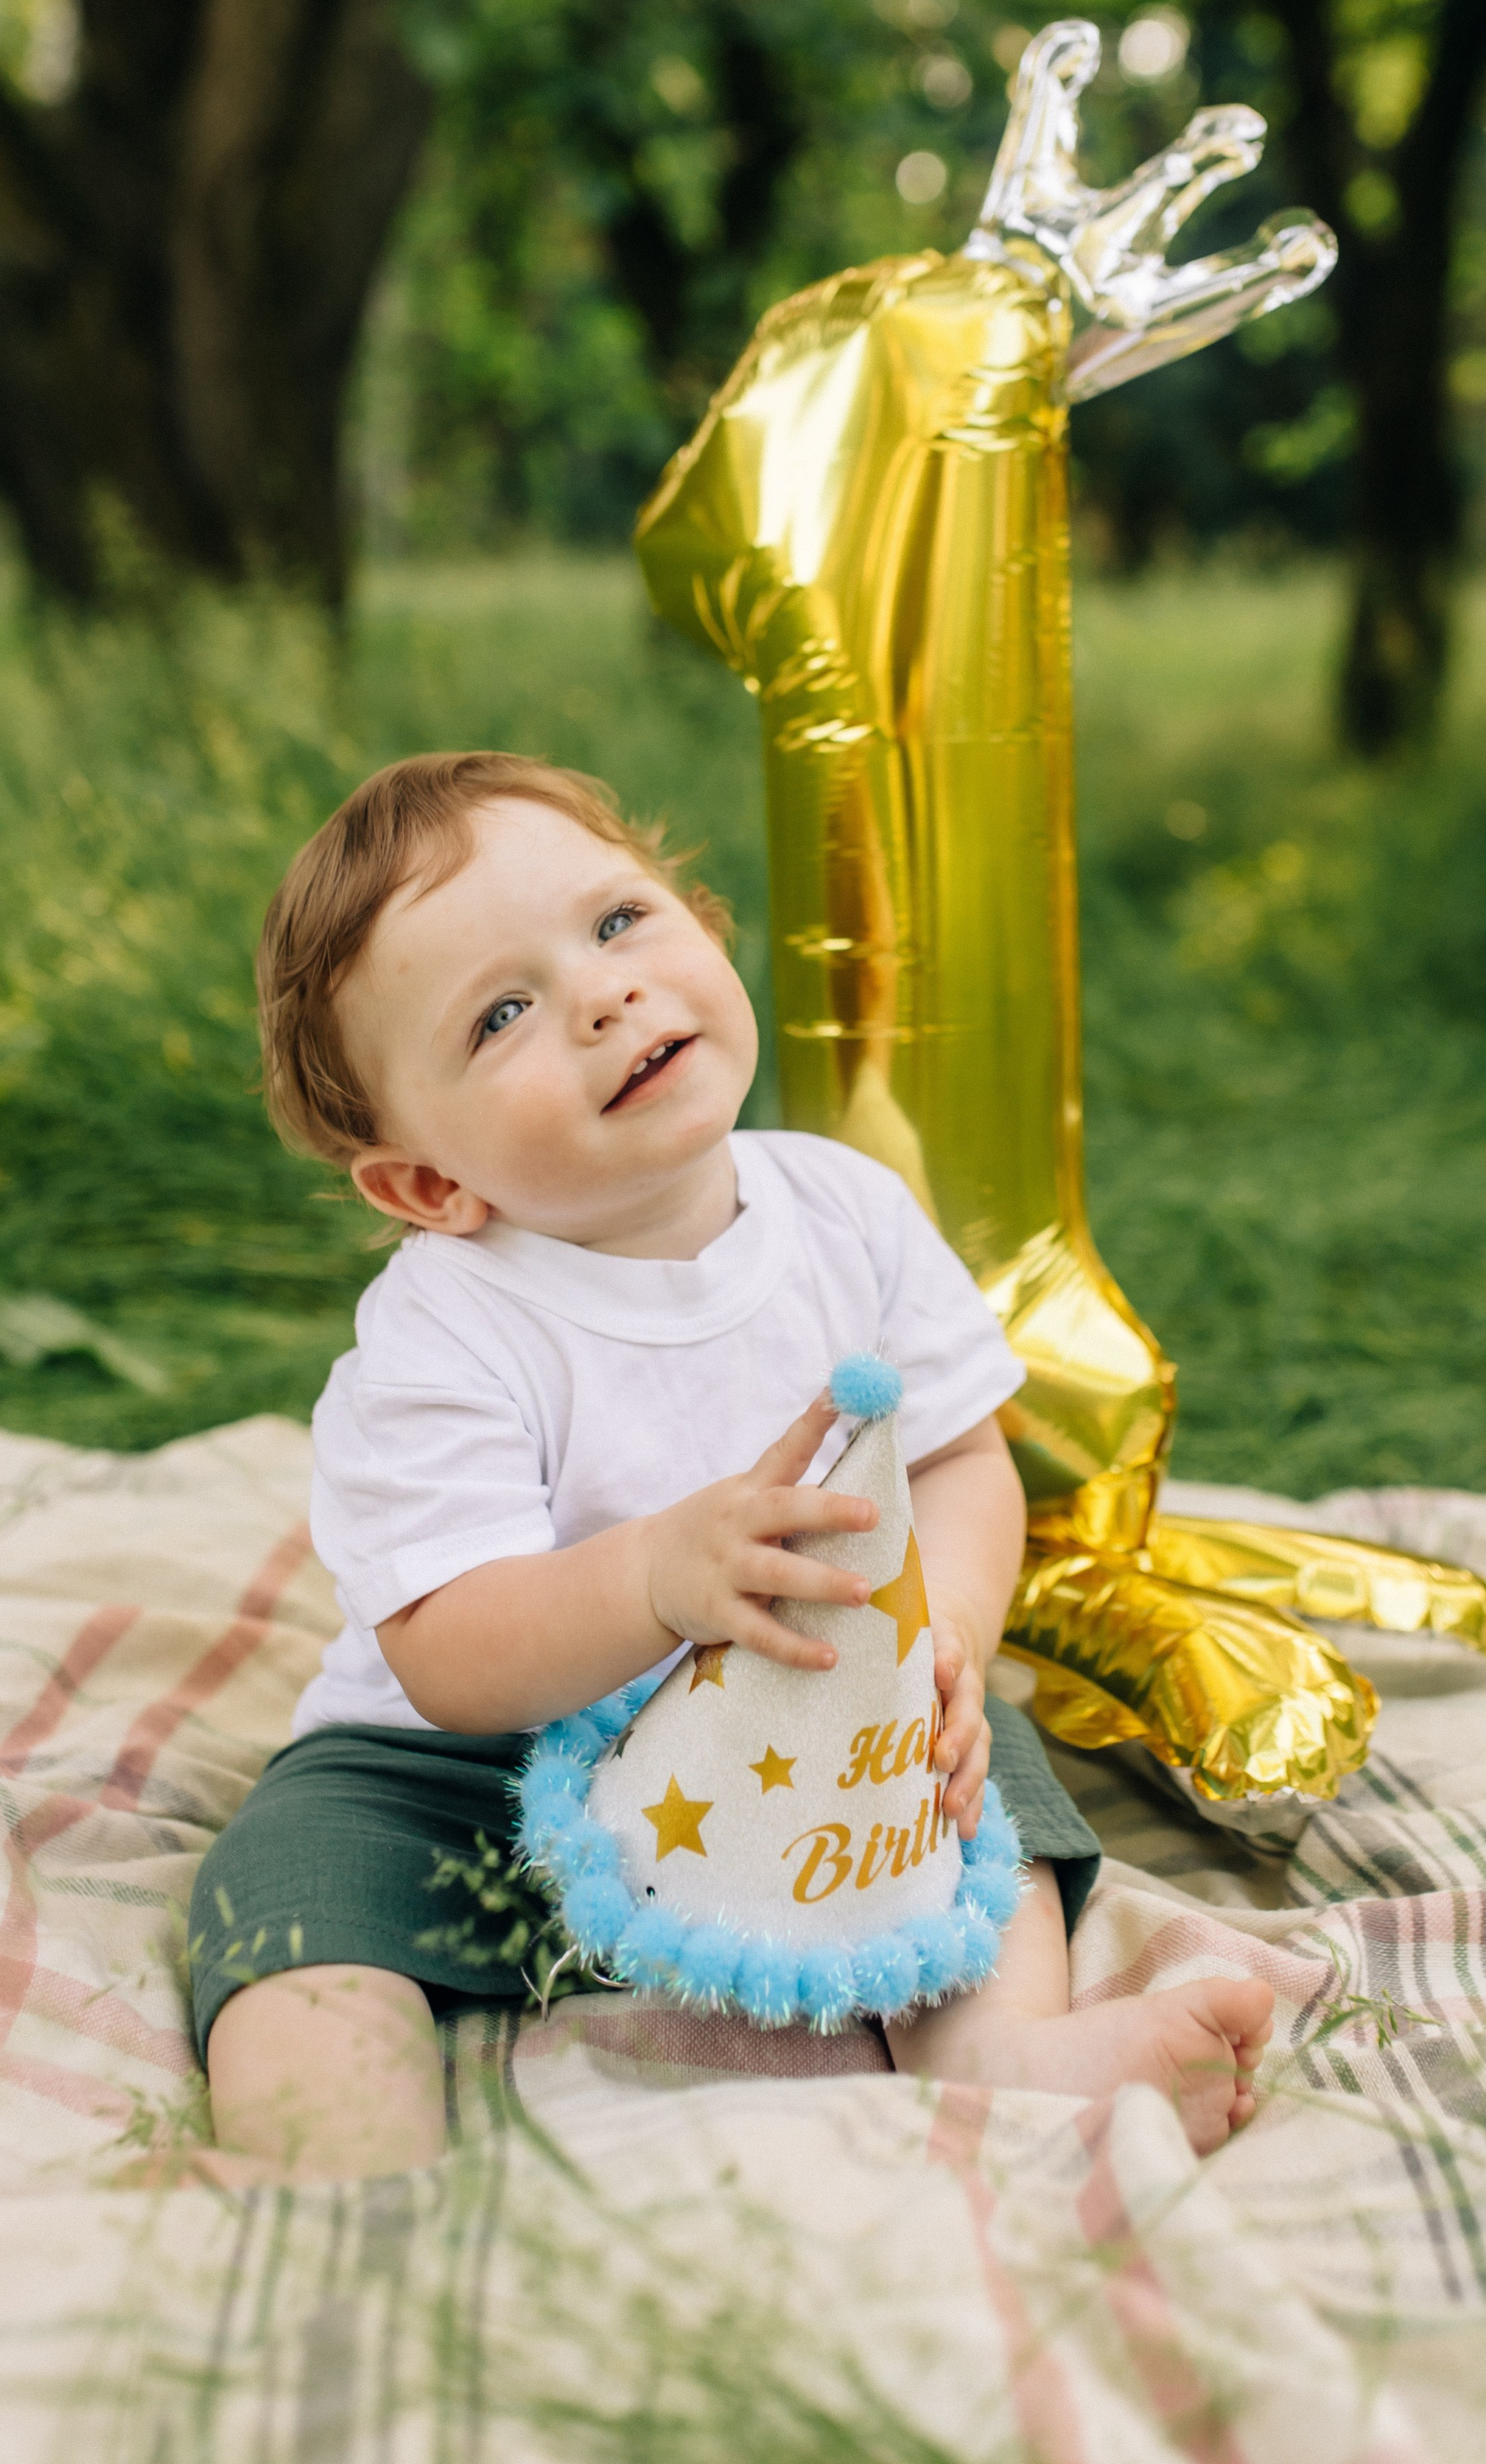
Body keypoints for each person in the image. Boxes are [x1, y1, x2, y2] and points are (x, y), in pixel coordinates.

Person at [186, 751, 1272, 2180]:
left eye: (619, 923)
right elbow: (447, 1648)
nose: (599, 995)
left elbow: (955, 1463)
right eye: (502, 1014)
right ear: (428, 1184)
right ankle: (339, 2151)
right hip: (472, 1778)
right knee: (294, 1875)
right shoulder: (440, 1331)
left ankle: (1000, 2057)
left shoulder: (847, 1213)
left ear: (702, 920)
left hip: (804, 1736)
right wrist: (648, 1578)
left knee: (981, 1770)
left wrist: (932, 1643)